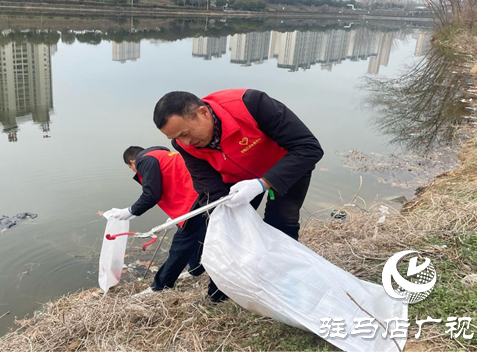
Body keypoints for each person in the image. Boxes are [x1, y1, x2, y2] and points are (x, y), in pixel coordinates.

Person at [152, 89, 324, 301]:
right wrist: (224, 206)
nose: (184, 143)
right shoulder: (184, 144)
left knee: (282, 222)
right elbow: (206, 183)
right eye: (176, 138)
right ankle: (221, 293)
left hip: (287, 166)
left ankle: (286, 284)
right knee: (229, 228)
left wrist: (264, 182)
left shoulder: (251, 105)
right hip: (236, 180)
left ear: (203, 112)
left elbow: (309, 148)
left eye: (185, 133)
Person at [103, 146, 206, 292]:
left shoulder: (145, 160)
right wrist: (174, 215)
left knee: (181, 246)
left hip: (194, 200)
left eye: (130, 167)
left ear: (132, 161)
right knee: (194, 236)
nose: (134, 170)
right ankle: (195, 269)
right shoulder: (161, 155)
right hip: (198, 195)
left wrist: (130, 211)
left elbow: (151, 194)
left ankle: (159, 286)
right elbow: (174, 182)